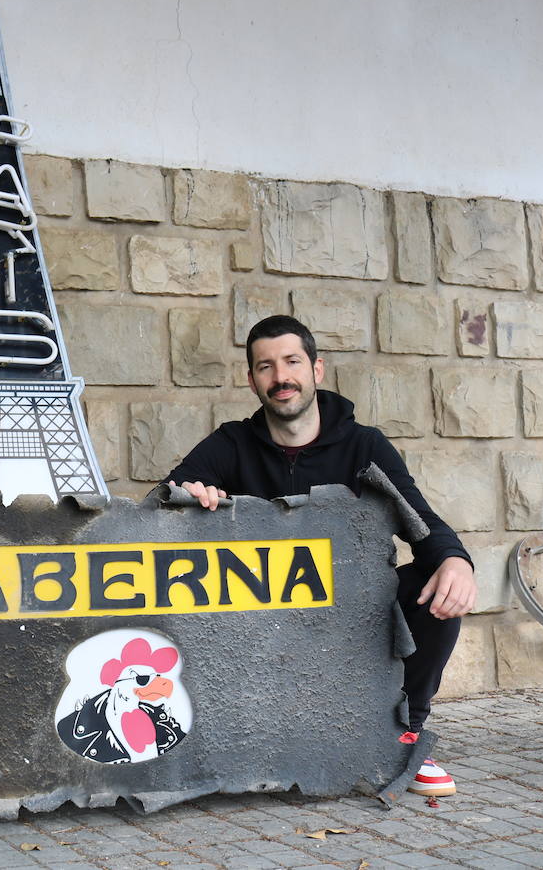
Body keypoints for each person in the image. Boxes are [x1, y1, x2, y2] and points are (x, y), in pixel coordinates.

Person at [165, 314, 476, 798]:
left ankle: (404, 733)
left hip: (349, 618)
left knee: (432, 583)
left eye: (292, 362)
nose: (280, 377)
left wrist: (456, 560)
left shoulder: (364, 445)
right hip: (256, 626)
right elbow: (160, 502)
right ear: (252, 380)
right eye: (265, 367)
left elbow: (421, 520)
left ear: (316, 370)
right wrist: (185, 495)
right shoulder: (231, 442)